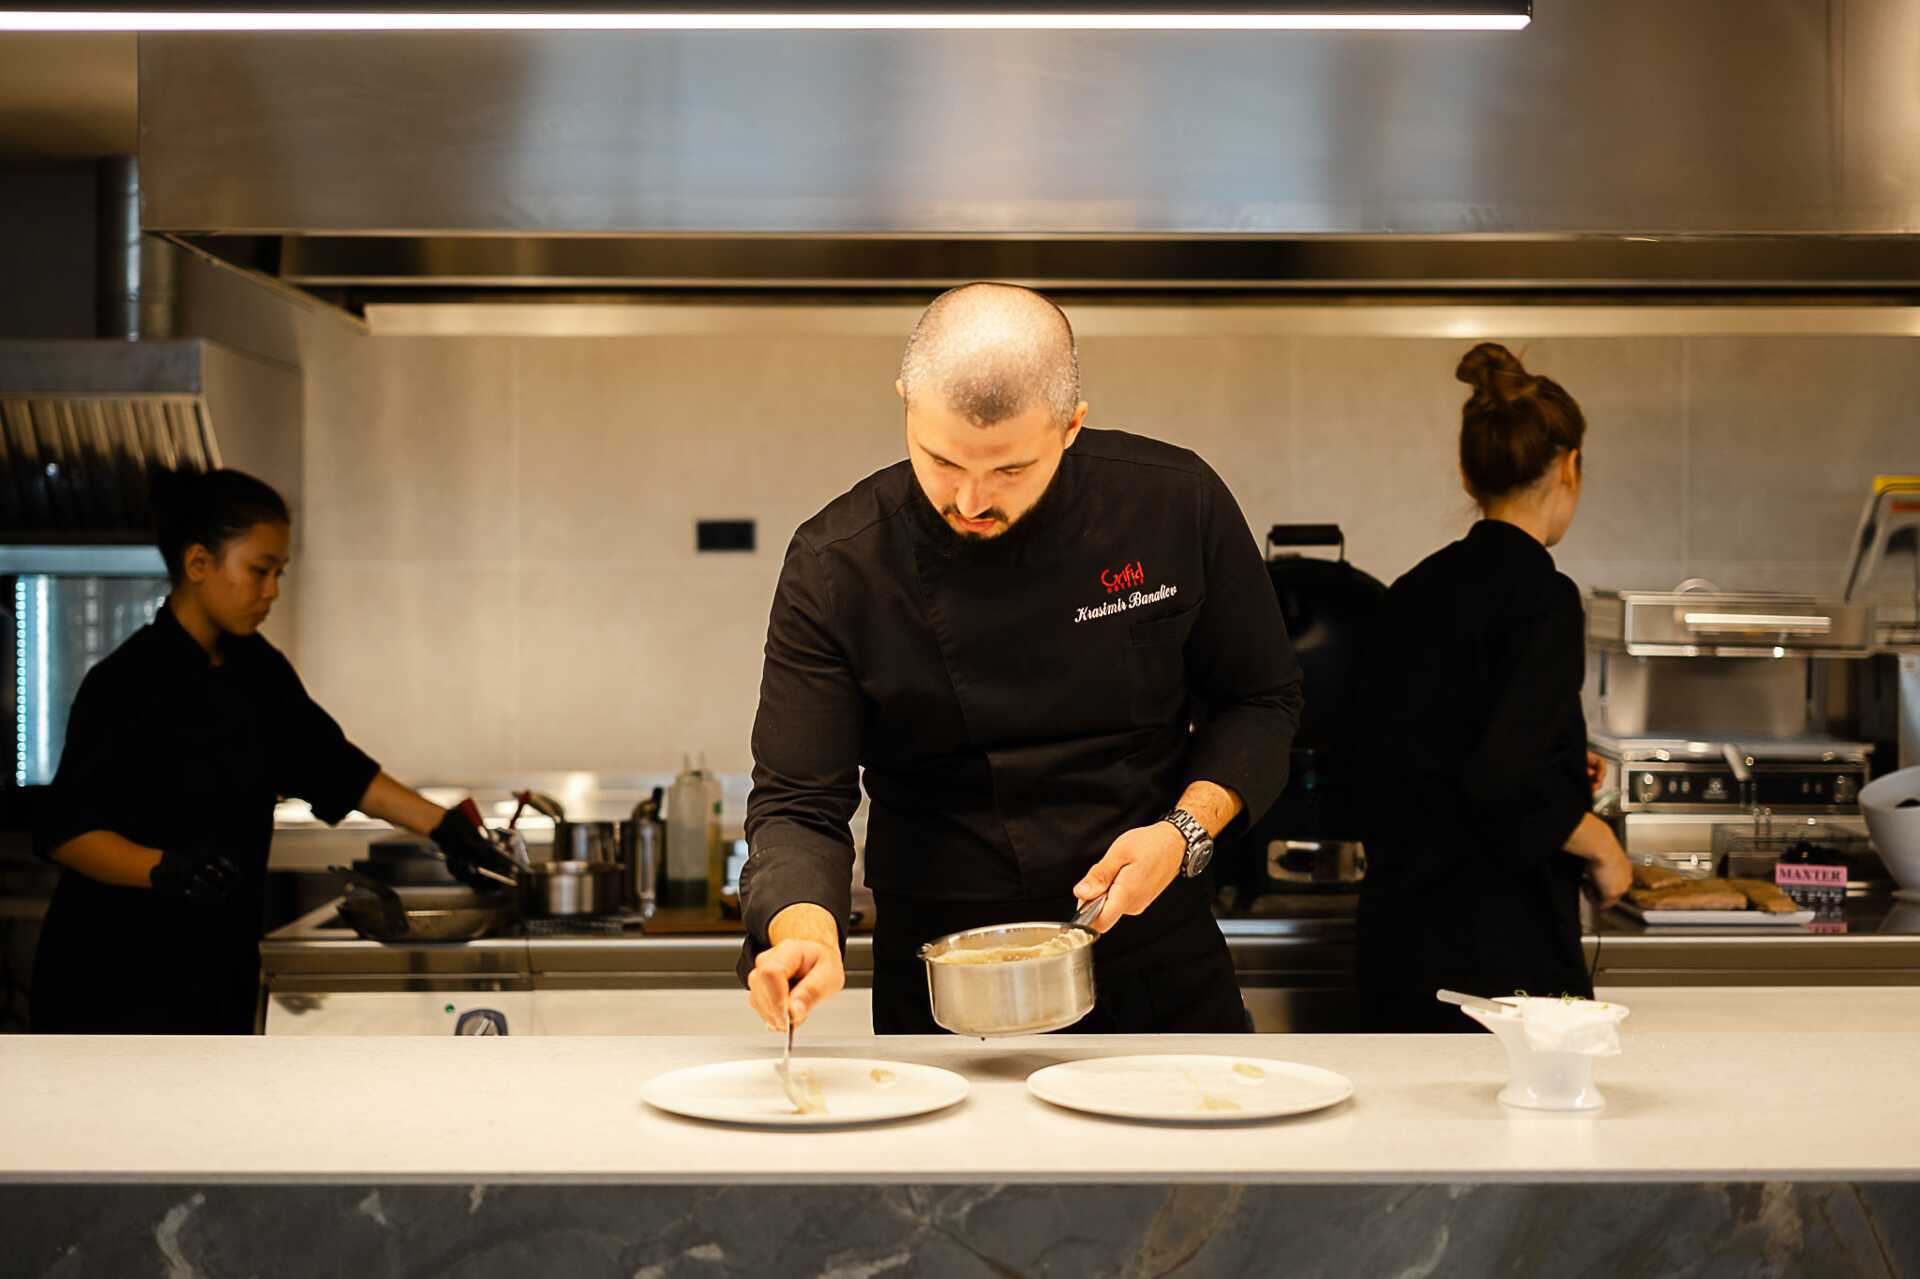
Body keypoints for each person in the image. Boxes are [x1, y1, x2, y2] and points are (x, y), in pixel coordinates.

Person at [737, 282, 1303, 1035]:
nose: (970, 500)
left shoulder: (1174, 504)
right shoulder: (838, 565)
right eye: (941, 460)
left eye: (1009, 470)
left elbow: (1260, 700)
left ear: (1071, 427)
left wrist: (1183, 832)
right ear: (906, 403)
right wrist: (804, 928)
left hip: (1154, 953)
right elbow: (798, 803)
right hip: (944, 975)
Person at [31, 469, 516, 1033]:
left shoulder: (259, 671)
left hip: (215, 972)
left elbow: (336, 768)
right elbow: (68, 832)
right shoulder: (125, 682)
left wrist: (444, 828)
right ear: (198, 563)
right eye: (259, 571)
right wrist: (164, 870)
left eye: (278, 573)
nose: (272, 592)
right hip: (113, 978)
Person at [1354, 342, 1632, 1033]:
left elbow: (1430, 746)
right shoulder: (1545, 598)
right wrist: (1602, 845)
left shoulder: (1410, 591)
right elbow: (1504, 780)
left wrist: (1561, 760)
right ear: (1569, 466)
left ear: (1467, 472)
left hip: (1399, 950)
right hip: (1502, 962)